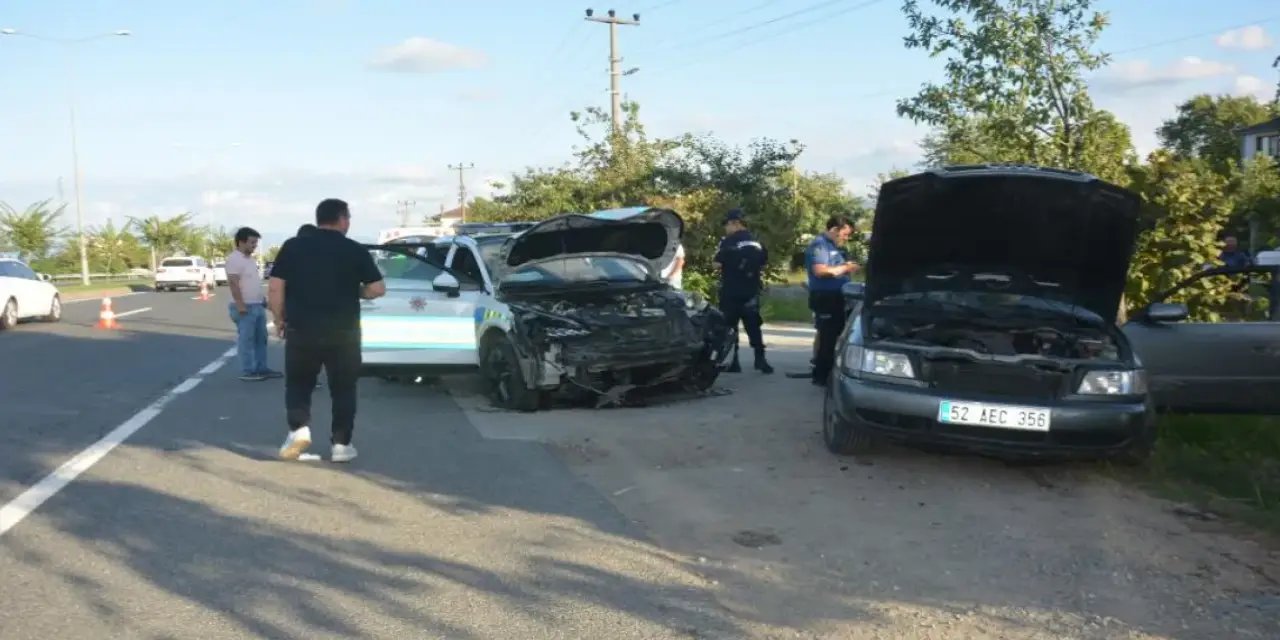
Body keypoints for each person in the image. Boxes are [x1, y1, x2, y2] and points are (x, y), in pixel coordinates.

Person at [267, 198, 386, 463]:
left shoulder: (293, 247)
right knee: (343, 389)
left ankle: (299, 430)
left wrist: (279, 320)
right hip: (344, 334)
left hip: (302, 330)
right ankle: (341, 445)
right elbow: (378, 288)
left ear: (319, 218)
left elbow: (275, 288)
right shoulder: (354, 249)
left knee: (298, 384)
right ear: (343, 219)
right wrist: (356, 291)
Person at [714, 208, 773, 374]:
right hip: (751, 291)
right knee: (754, 326)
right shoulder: (756, 242)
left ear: (735, 223)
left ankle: (734, 362)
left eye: (727, 224)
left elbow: (717, 264)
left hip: (731, 291)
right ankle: (760, 360)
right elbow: (763, 262)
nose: (726, 228)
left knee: (730, 327)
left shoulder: (728, 242)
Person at [806, 215, 859, 386]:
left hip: (837, 297)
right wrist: (846, 267)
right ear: (834, 230)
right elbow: (820, 271)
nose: (846, 238)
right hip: (825, 298)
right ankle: (821, 376)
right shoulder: (820, 245)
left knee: (834, 335)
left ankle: (825, 371)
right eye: (844, 234)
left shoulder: (833, 247)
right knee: (828, 338)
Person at [226, 226, 280, 381]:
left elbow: (252, 283)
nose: (255, 245)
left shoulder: (249, 260)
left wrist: (263, 301)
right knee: (246, 340)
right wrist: (240, 304)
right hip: (245, 307)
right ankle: (247, 371)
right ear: (241, 242)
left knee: (260, 339)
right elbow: (233, 283)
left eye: (256, 242)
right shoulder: (234, 259)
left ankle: (261, 368)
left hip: (256, 305)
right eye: (252, 242)